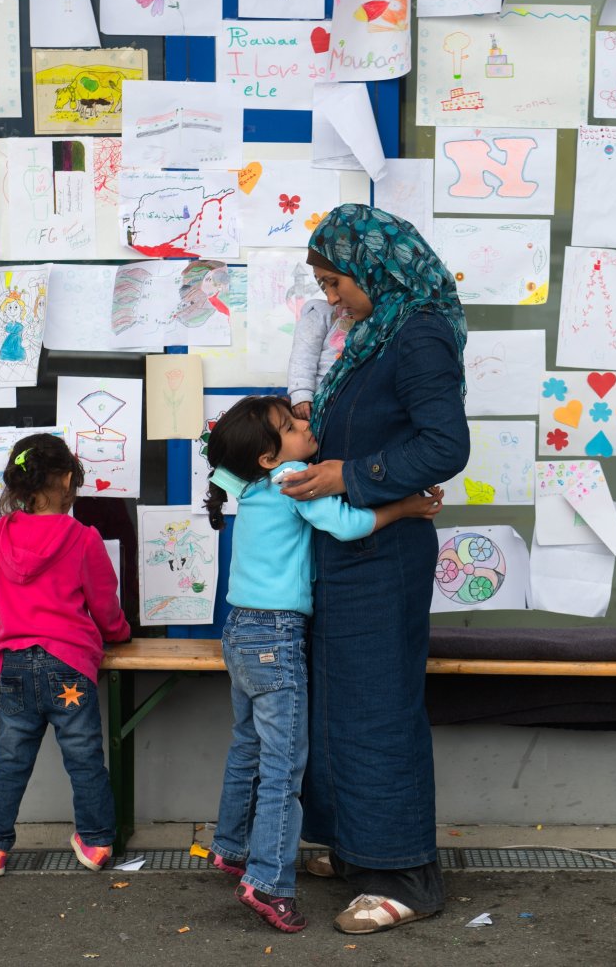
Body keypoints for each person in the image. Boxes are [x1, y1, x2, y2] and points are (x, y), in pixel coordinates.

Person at [277, 204, 470, 934]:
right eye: (321, 285)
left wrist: (353, 475)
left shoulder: (417, 334)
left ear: (378, 270)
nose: (331, 300)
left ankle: (404, 874)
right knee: (332, 700)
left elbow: (445, 445)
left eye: (337, 283)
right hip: (341, 545)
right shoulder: (365, 334)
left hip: (383, 553)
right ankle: (352, 847)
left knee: (377, 705)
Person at [202, 395, 443, 933]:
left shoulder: (248, 482)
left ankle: (231, 846)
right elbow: (349, 525)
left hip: (240, 629)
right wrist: (405, 508)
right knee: (284, 768)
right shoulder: (293, 478)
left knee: (249, 749)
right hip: (277, 635)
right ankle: (268, 883)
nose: (306, 427)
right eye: (291, 426)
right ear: (269, 457)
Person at [0, 433, 130, 879]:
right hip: (69, 666)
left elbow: (4, 599)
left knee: (11, 757)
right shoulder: (82, 538)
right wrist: (118, 632)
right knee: (84, 757)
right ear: (63, 480)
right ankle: (97, 842)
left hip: (16, 663)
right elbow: (104, 605)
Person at [287, 298, 354, 420]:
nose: (332, 296)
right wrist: (301, 393)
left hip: (352, 402)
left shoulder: (379, 314)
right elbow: (303, 356)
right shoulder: (320, 313)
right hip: (320, 401)